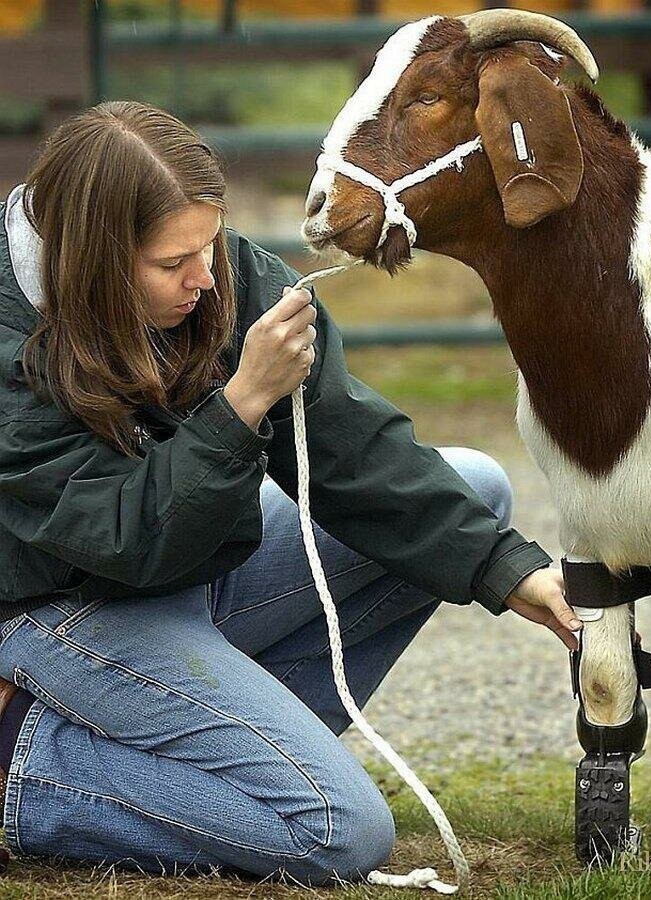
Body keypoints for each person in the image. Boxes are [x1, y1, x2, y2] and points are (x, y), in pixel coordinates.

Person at [0, 101, 581, 884]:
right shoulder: (9, 336)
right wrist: (241, 405)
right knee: (338, 831)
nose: (207, 280)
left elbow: (348, 449)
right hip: (65, 606)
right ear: (93, 258)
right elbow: (123, 539)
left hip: (188, 564)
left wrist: (508, 569)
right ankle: (29, 773)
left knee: (477, 492)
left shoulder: (216, 276)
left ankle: (222, 771)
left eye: (210, 245)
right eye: (175, 264)